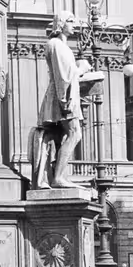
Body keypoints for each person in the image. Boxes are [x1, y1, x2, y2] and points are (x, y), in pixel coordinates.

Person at [34, 11, 85, 189]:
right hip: (63, 97)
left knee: (62, 136)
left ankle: (58, 176)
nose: (74, 25)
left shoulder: (61, 46)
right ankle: (57, 178)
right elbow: (64, 76)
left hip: (63, 95)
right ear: (61, 23)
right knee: (75, 133)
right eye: (70, 21)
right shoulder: (56, 44)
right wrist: (82, 69)